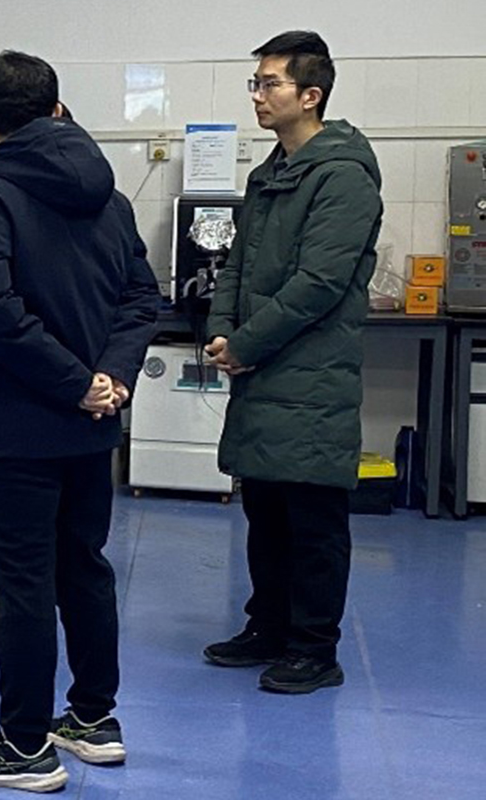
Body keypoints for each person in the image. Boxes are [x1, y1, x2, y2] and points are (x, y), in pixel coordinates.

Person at [0, 51, 158, 792]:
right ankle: (93, 718)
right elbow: (141, 297)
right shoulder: (110, 197)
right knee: (83, 569)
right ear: (59, 110)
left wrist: (74, 386)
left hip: (12, 426)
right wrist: (109, 379)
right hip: (91, 426)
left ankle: (25, 746)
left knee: (22, 586)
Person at [203, 31, 382, 694]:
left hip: (311, 374)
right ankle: (269, 626)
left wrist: (245, 345)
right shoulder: (269, 173)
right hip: (263, 370)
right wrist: (221, 330)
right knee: (266, 509)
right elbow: (237, 266)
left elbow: (319, 283)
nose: (258, 95)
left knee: (312, 519)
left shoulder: (342, 175)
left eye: (270, 83)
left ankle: (314, 647)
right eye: (255, 83)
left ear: (311, 95)